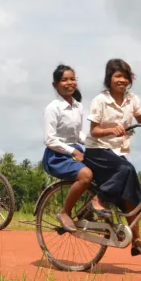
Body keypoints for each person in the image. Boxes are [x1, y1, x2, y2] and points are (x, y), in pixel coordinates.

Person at [83, 58, 141, 257]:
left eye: (125, 76)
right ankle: (98, 200)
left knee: (132, 192)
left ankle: (136, 241)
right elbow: (94, 131)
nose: (122, 80)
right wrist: (111, 130)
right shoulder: (100, 100)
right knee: (126, 170)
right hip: (97, 150)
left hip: (118, 153)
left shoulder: (132, 99)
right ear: (109, 78)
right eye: (118, 76)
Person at [41, 63, 93, 232]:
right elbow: (50, 140)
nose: (70, 83)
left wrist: (95, 143)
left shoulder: (78, 106)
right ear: (55, 85)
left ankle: (87, 210)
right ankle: (65, 212)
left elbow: (78, 135)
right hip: (57, 155)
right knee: (86, 175)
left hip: (75, 151)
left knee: (105, 168)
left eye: (72, 79)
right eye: (64, 80)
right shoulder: (53, 108)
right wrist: (73, 151)